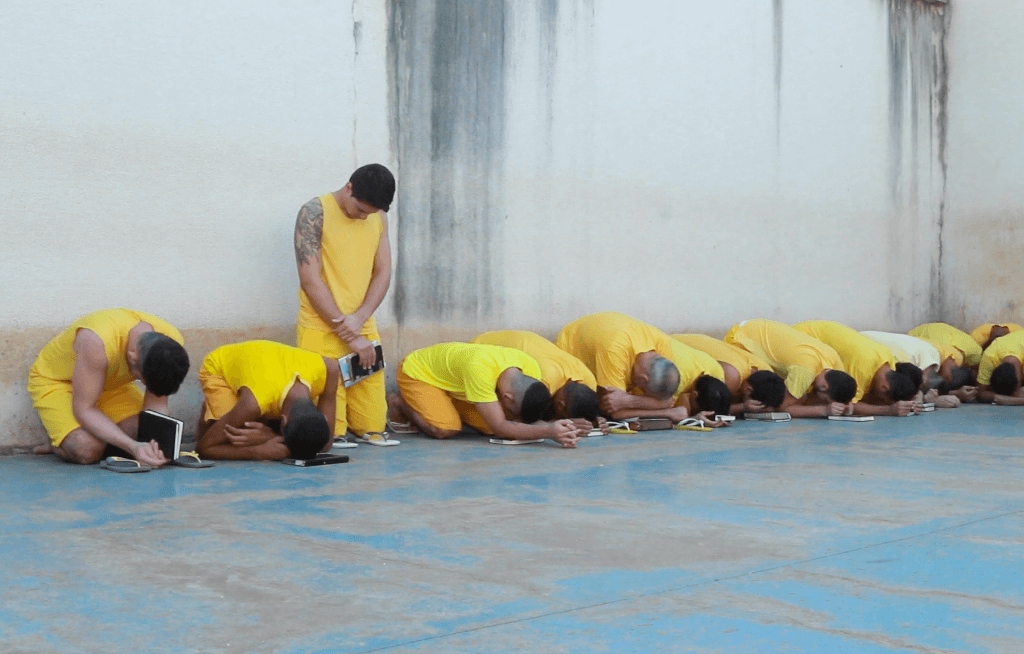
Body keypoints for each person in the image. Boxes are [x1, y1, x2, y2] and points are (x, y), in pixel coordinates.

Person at [293, 163, 395, 443]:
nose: (363, 218)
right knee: (329, 432)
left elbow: (383, 271)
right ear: (349, 187)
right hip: (321, 326)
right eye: (360, 210)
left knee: (373, 428)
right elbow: (310, 280)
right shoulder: (314, 212)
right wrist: (350, 333)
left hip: (362, 325)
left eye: (370, 213)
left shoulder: (379, 217)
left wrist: (361, 318)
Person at [29, 308, 190, 467]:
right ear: (131, 356)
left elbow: (156, 407)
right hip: (61, 382)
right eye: (141, 379)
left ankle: (98, 438)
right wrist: (133, 447)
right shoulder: (96, 340)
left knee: (143, 433)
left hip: (112, 385)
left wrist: (156, 446)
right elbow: (85, 409)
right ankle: (60, 443)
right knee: (86, 449)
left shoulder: (169, 345)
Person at [387, 342, 581, 447]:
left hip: (456, 381)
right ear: (506, 397)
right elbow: (500, 427)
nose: (512, 415)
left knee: (490, 427)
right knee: (446, 429)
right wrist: (548, 431)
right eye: (511, 409)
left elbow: (517, 419)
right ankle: (399, 403)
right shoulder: (480, 371)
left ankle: (445, 404)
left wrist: (562, 426)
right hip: (418, 372)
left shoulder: (529, 368)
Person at [555, 312, 729, 426]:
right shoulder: (614, 352)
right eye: (646, 393)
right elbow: (613, 410)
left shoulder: (662, 344)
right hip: (570, 344)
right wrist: (667, 411)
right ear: (642, 380)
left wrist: (631, 401)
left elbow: (656, 401)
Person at [195, 340, 340, 460]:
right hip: (220, 366)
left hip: (265, 371)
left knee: (306, 435)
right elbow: (204, 448)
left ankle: (249, 416)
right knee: (233, 438)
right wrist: (257, 451)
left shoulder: (330, 369)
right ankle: (210, 414)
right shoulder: (252, 404)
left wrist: (270, 437)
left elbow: (325, 445)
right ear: (282, 421)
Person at [471, 330, 604, 433]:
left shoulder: (589, 381)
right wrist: (557, 424)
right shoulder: (542, 381)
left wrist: (591, 420)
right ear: (560, 405)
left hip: (515, 343)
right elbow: (515, 421)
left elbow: (585, 405)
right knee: (491, 423)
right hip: (478, 349)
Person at [723, 319, 857, 418]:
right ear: (823, 387)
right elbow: (781, 407)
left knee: (799, 396)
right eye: (824, 399)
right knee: (756, 390)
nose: (820, 401)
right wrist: (824, 410)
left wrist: (846, 403)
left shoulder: (833, 360)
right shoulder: (805, 371)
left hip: (756, 326)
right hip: (743, 337)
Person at [791, 320, 919, 416]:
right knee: (803, 399)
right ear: (884, 388)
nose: (877, 400)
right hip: (800, 339)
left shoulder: (887, 360)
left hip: (809, 332)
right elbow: (851, 405)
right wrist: (888, 410)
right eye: (881, 399)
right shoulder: (862, 369)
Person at [672, 334, 786, 414]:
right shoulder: (731, 377)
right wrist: (742, 407)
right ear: (748, 390)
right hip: (674, 347)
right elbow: (707, 405)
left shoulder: (766, 372)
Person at [859, 331, 972, 406]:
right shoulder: (930, 356)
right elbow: (922, 384)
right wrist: (930, 401)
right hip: (866, 348)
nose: (947, 377)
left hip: (863, 340)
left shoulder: (923, 352)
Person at [976, 330, 1024, 405]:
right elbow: (980, 392)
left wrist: (1010, 399)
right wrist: (1010, 399)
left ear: (1020, 377)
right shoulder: (989, 357)